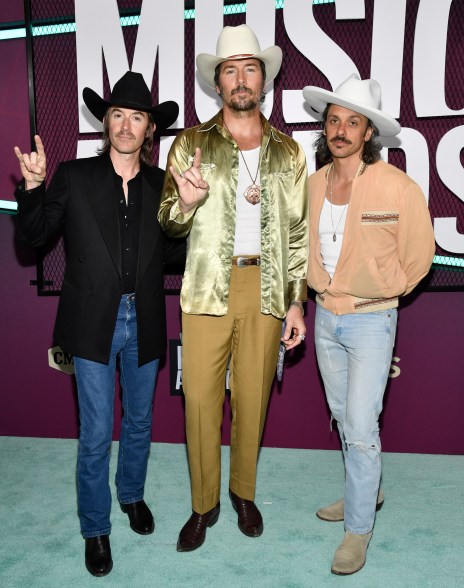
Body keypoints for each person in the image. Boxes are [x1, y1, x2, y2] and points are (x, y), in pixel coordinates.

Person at [14, 71, 183, 577]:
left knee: (139, 422)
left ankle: (131, 495)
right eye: (117, 114)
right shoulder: (73, 175)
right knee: (94, 433)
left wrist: (190, 210)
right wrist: (34, 187)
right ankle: (95, 527)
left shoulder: (163, 184)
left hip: (145, 317)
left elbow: (177, 253)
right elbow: (34, 236)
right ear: (105, 121)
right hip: (92, 322)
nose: (126, 125)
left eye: (137, 117)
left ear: (150, 128)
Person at [158, 24, 308, 552]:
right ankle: (205, 505)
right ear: (217, 83)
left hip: (265, 287)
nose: (240, 78)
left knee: (252, 397)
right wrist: (188, 203)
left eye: (250, 68)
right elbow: (167, 223)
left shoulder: (289, 151)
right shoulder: (191, 143)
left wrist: (296, 303)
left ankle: (243, 493)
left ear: (262, 79)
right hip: (205, 287)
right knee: (199, 399)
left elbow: (296, 234)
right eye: (230, 70)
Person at [302, 74, 435, 575]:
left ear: (367, 133)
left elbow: (420, 257)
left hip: (372, 320)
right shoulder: (312, 185)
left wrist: (385, 288)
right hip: (324, 316)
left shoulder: (396, 186)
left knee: (360, 426)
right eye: (333, 121)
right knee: (343, 414)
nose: (340, 130)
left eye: (351, 122)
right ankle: (368, 491)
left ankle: (357, 532)